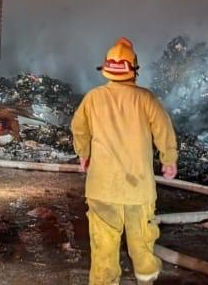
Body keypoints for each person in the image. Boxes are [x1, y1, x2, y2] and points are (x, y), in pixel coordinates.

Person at [71, 37, 179, 285]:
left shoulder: (93, 98)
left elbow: (79, 129)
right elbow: (164, 130)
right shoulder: (145, 99)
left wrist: (84, 154)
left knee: (103, 247)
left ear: (106, 69)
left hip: (102, 188)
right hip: (137, 191)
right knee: (142, 243)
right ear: (134, 69)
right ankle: (146, 279)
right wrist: (168, 159)